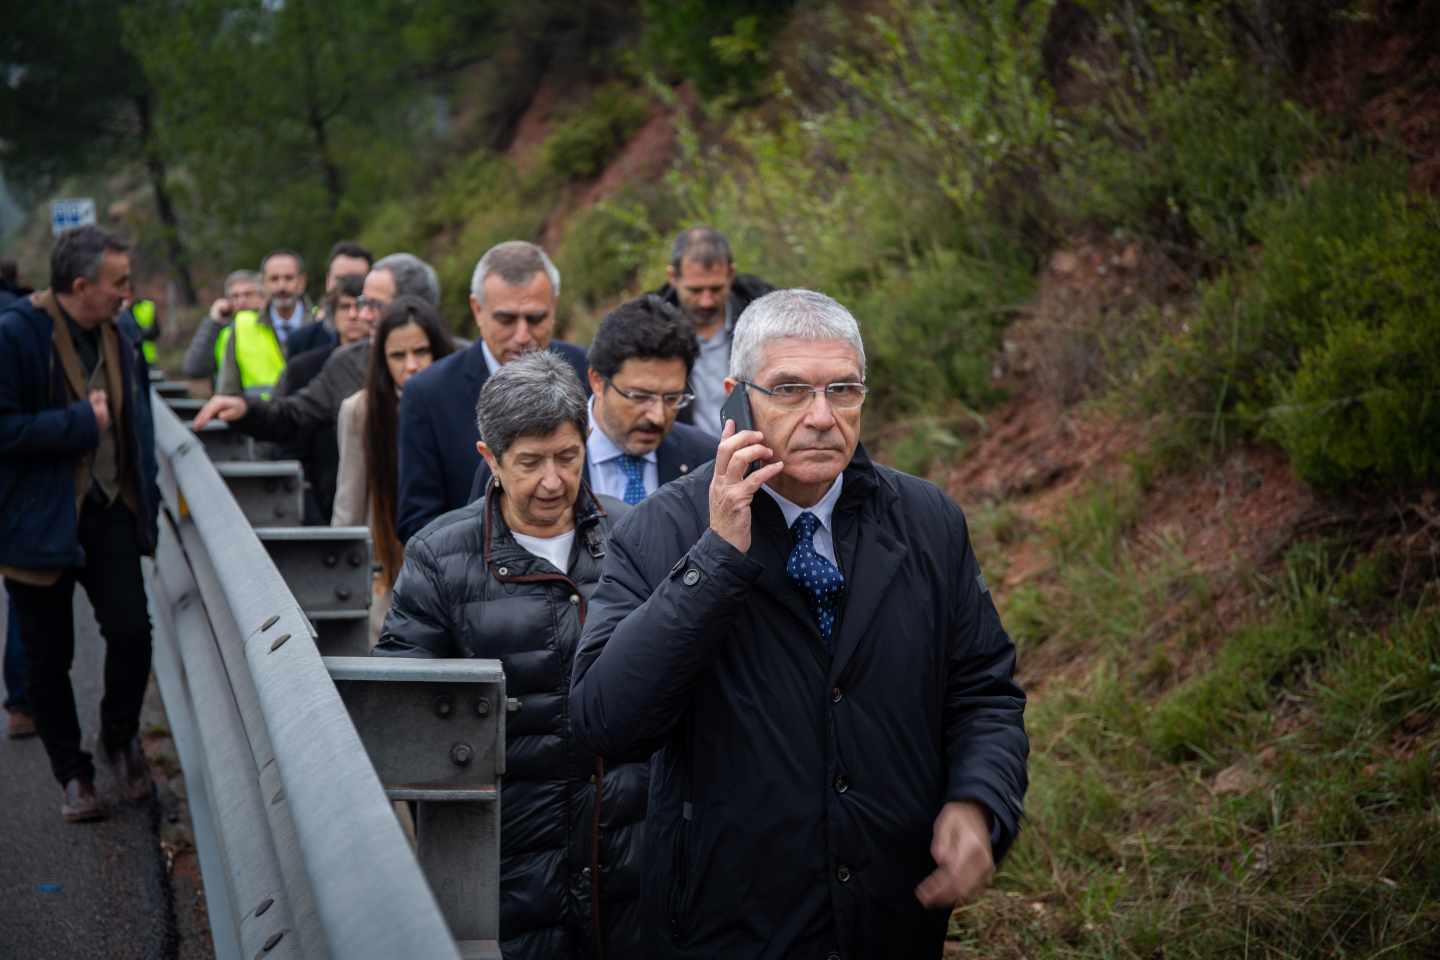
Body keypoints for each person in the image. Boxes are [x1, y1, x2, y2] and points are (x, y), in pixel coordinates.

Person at [570, 289, 1029, 959]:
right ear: (737, 396)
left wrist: (978, 800)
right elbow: (606, 719)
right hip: (728, 924)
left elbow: (984, 692)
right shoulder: (661, 529)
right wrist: (717, 558)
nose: (821, 417)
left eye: (842, 389)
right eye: (790, 390)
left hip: (891, 917)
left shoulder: (928, 522)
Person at [377, 351, 645, 960]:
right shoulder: (439, 556)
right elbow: (403, 710)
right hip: (506, 864)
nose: (552, 482)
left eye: (568, 457)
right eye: (529, 463)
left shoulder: (635, 535)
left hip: (630, 855)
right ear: (490, 459)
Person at [0, 226, 160, 823]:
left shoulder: (121, 333)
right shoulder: (16, 334)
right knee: (47, 659)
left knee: (132, 634)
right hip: (34, 523)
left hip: (111, 510)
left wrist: (150, 504)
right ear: (80, 285)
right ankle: (73, 774)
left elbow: (138, 425)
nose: (128, 293)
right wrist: (74, 424)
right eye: (118, 283)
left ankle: (118, 738)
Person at [397, 241, 587, 543]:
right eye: (506, 319)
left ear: (555, 307)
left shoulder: (586, 371)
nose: (523, 335)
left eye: (535, 318)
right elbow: (417, 519)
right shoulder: (428, 393)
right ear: (477, 309)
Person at [467, 294, 714, 504]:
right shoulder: (515, 459)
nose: (657, 416)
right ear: (597, 381)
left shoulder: (704, 459)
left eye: (672, 398)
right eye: (640, 396)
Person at [192, 253, 440, 448]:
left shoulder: (461, 366)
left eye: (373, 305)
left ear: (413, 306)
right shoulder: (346, 363)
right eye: (362, 304)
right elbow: (295, 415)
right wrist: (247, 409)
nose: (362, 315)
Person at [332, 296, 455, 644]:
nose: (412, 366)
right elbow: (349, 504)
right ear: (382, 360)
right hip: (388, 571)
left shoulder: (462, 400)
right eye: (398, 356)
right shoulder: (361, 411)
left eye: (421, 351)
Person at [653, 226, 775, 437]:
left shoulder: (768, 315)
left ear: (731, 274)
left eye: (716, 289)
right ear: (673, 277)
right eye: (695, 290)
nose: (707, 301)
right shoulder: (650, 325)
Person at [278, 272, 368, 524]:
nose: (353, 315)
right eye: (344, 307)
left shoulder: (392, 366)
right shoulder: (304, 368)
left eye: (359, 306)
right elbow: (289, 440)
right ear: (332, 314)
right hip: (319, 495)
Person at [214, 249, 310, 397]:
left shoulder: (322, 323)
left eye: (289, 278)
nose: (281, 286)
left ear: (302, 281)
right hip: (260, 418)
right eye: (274, 279)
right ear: (263, 283)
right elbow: (228, 391)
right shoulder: (242, 327)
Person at [287, 240, 374, 358]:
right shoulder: (302, 341)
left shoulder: (387, 341)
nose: (348, 286)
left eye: (357, 279)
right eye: (340, 279)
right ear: (328, 280)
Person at [180, 269, 263, 385]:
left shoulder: (275, 326)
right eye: (235, 296)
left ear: (262, 297)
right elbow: (194, 368)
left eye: (248, 294)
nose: (242, 300)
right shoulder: (222, 331)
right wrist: (213, 321)